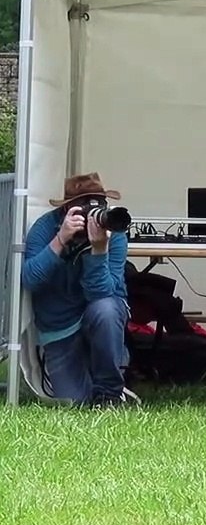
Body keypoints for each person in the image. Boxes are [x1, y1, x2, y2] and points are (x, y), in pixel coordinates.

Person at [21, 172, 130, 407]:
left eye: (99, 205)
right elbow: (30, 279)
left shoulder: (113, 231)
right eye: (85, 207)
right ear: (67, 209)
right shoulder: (46, 227)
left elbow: (102, 294)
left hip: (98, 315)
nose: (93, 214)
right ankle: (93, 383)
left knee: (106, 309)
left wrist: (98, 250)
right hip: (60, 326)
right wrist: (61, 239)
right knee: (75, 402)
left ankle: (109, 394)